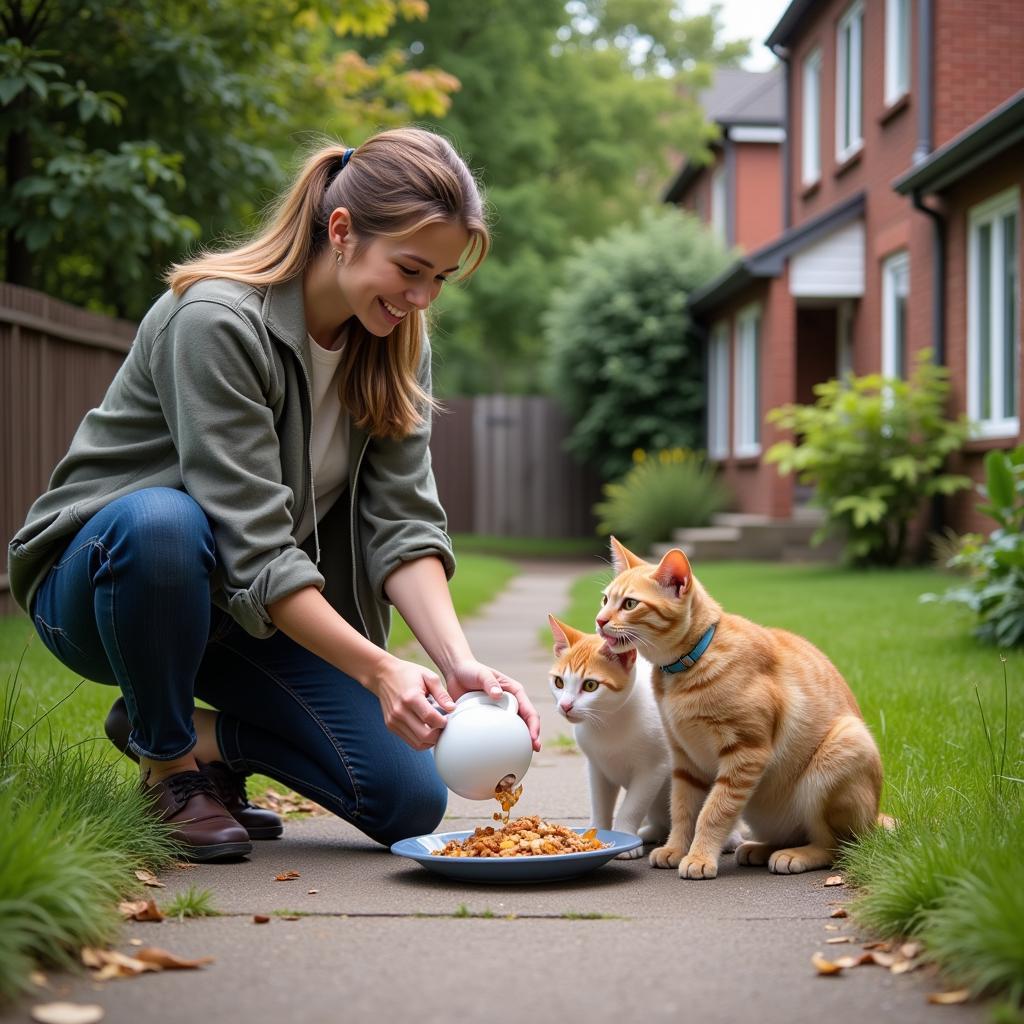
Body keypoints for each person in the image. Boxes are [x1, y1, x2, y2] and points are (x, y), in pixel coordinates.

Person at [7, 127, 541, 862]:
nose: (421, 297)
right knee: (165, 522)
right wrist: (380, 670)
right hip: (107, 590)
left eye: (441, 278)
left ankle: (187, 737)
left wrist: (457, 664)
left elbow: (405, 525)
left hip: (238, 615)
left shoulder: (392, 341)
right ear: (343, 231)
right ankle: (168, 766)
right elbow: (253, 545)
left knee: (408, 797)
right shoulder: (216, 321)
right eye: (411, 268)